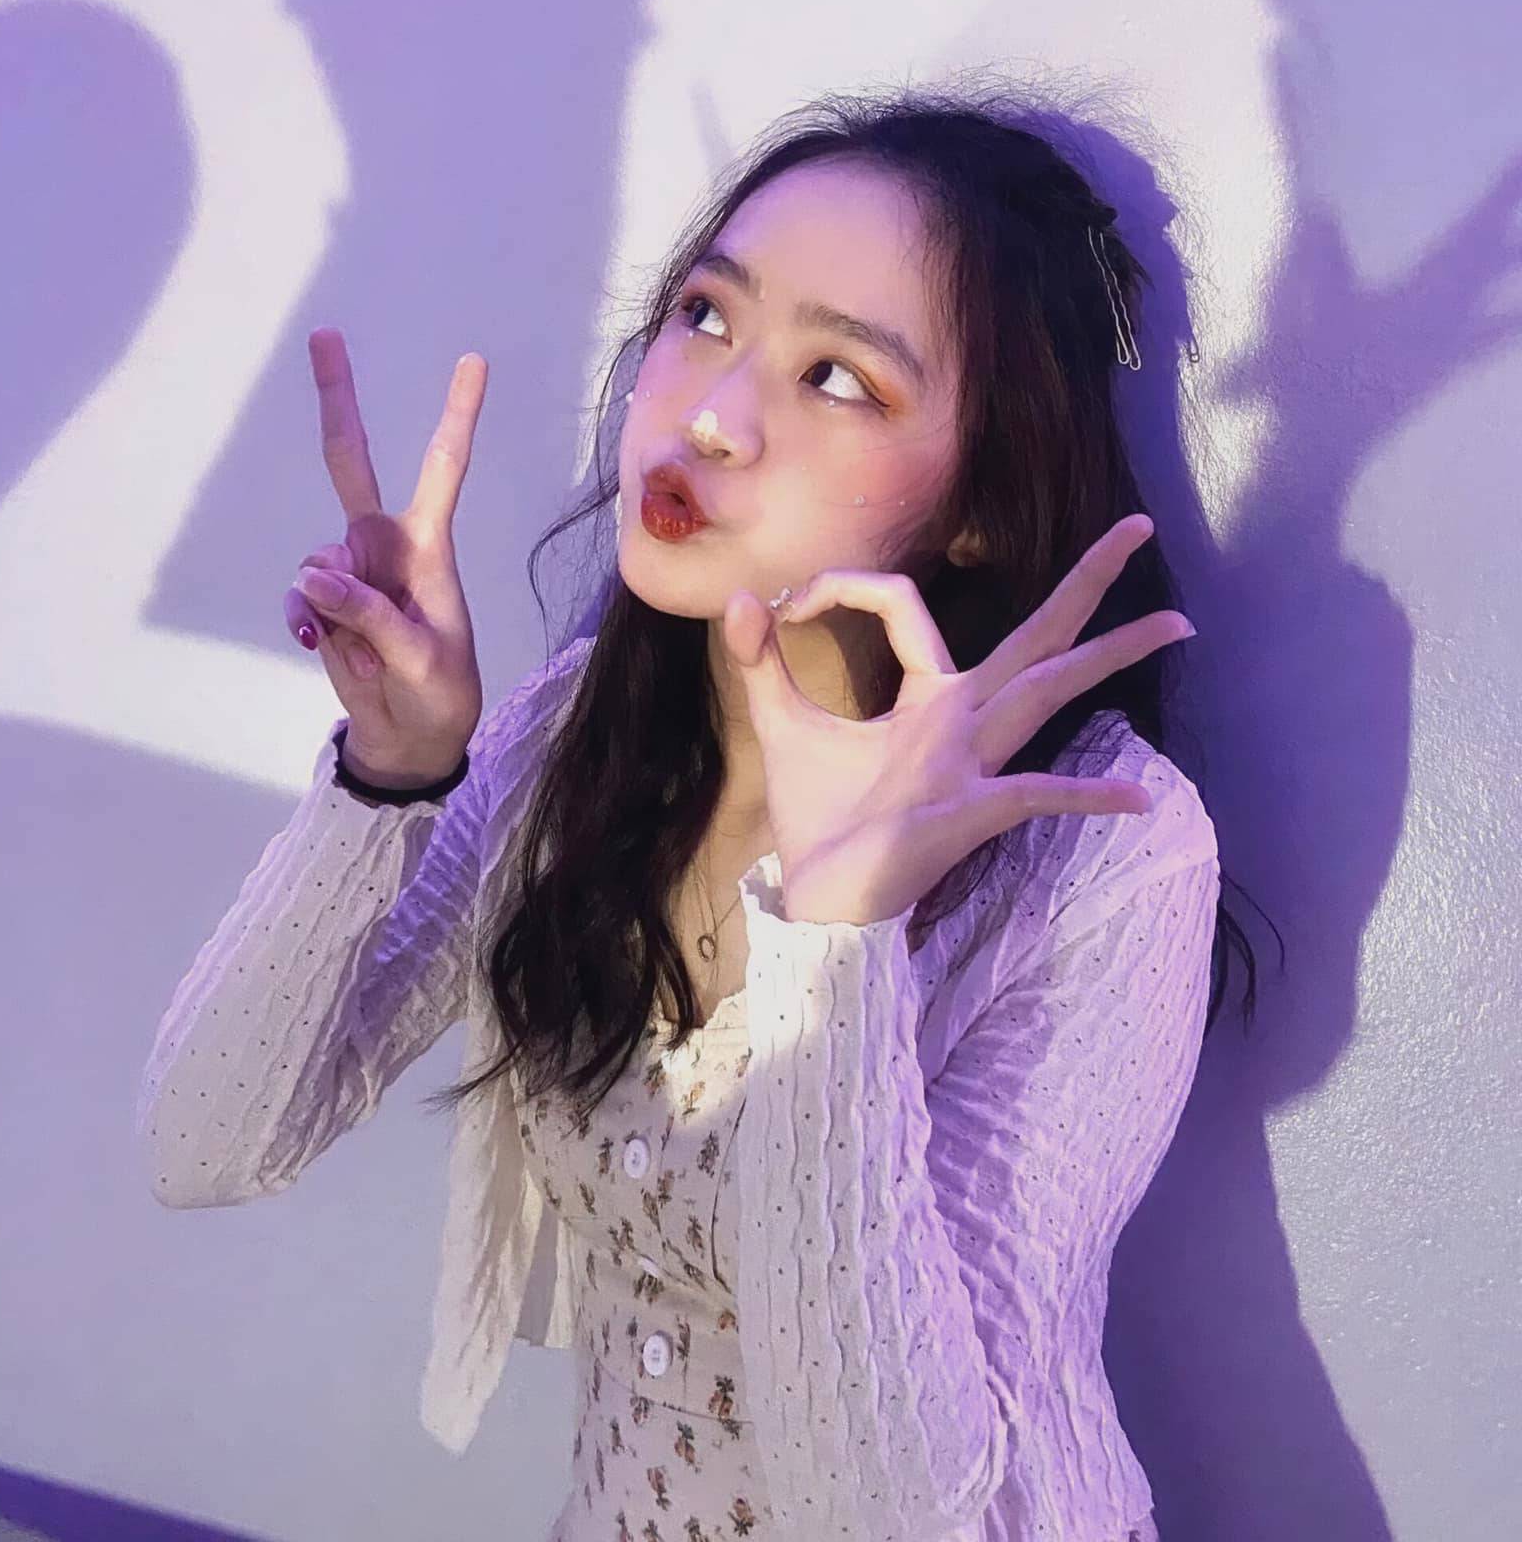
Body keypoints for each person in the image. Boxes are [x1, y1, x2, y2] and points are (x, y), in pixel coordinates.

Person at [139, 82, 1257, 1542]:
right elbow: (208, 1144)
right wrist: (389, 776)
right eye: (705, 316)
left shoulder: (1101, 845)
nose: (713, 414)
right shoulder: (576, 741)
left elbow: (885, 1509)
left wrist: (837, 942)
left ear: (982, 500)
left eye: (837, 377)